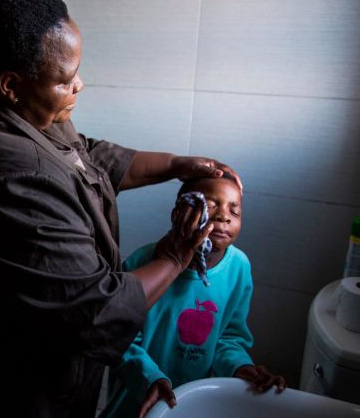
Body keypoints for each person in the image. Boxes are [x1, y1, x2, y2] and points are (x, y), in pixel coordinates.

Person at [0, 0, 242, 417]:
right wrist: (176, 254)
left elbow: (83, 155)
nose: (80, 85)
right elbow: (97, 310)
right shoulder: (5, 176)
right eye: (65, 79)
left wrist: (174, 164)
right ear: (12, 84)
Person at [102, 174, 286, 418]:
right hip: (137, 397)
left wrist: (241, 367)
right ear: (179, 213)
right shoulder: (144, 263)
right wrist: (150, 378)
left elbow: (229, 338)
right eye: (210, 205)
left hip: (193, 401)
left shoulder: (239, 268)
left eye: (235, 211)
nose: (224, 216)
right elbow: (118, 336)